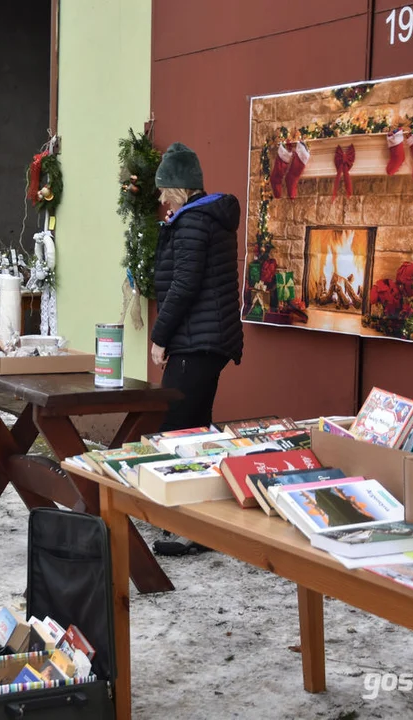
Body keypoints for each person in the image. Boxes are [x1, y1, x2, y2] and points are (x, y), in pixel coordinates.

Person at [148, 142, 244, 557]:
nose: (159, 198)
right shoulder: (208, 219)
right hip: (210, 341)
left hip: (196, 341)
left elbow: (184, 287)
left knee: (177, 430)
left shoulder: (191, 223)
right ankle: (200, 525)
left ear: (177, 188)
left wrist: (159, 336)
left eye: (162, 189)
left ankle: (187, 524)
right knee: (197, 431)